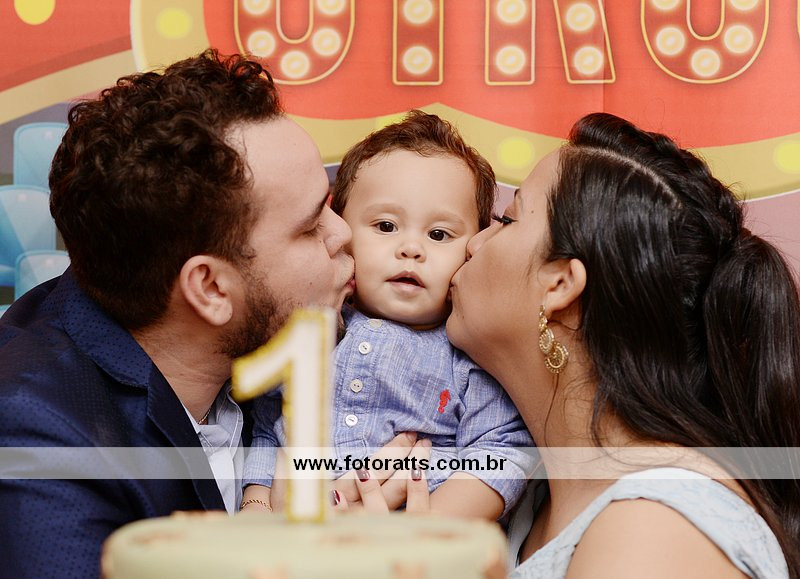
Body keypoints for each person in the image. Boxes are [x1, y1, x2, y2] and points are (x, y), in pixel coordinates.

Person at [349, 113, 800, 577]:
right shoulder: (525, 500)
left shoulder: (656, 530)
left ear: (560, 285)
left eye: (506, 220)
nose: (472, 244)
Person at [0, 49, 374, 578]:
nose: (345, 233)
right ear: (211, 289)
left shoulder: (260, 340)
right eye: (312, 226)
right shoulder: (39, 442)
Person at [241, 111, 536, 520]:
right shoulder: (309, 329)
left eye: (438, 235)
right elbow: (267, 429)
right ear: (340, 230)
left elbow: (502, 452)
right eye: (385, 226)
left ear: (474, 248)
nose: (411, 249)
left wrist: (426, 528)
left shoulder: (469, 357)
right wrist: (255, 502)